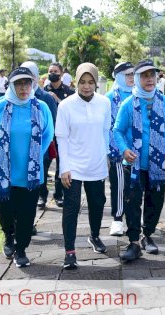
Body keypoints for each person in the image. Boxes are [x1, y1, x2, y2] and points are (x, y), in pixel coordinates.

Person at [0, 67, 54, 268]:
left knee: (26, 213)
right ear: (11, 86)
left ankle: (21, 248)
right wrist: (6, 157)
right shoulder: (1, 106)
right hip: (4, 170)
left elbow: (48, 135)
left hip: (30, 172)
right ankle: (9, 237)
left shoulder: (41, 107)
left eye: (27, 83)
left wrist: (33, 157)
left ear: (33, 84)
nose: (24, 88)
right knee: (4, 209)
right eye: (19, 83)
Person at [113, 60, 165, 262]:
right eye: (144, 75)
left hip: (157, 164)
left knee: (154, 201)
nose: (149, 79)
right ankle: (133, 243)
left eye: (152, 75)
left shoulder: (164, 102)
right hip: (133, 165)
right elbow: (117, 130)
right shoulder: (128, 104)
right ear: (138, 79)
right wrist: (124, 149)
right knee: (132, 203)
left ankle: (147, 235)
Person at [56, 63, 111, 269]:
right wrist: (64, 168)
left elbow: (106, 131)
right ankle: (70, 251)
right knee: (71, 208)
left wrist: (105, 155)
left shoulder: (104, 103)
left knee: (98, 203)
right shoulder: (66, 105)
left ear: (96, 83)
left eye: (90, 82)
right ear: (76, 82)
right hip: (73, 165)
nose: (86, 86)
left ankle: (94, 236)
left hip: (96, 163)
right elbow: (61, 137)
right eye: (82, 82)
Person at [20, 61, 58, 212]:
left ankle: (42, 195)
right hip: (22, 145)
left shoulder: (45, 98)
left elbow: (53, 122)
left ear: (35, 77)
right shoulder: (17, 96)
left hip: (42, 144)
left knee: (39, 172)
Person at [105, 61, 134, 236]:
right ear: (118, 77)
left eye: (133, 74)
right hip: (117, 150)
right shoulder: (109, 98)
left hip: (137, 149)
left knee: (135, 186)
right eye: (127, 75)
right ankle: (117, 219)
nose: (131, 78)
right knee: (118, 185)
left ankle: (134, 216)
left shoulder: (141, 95)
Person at [44, 62, 75, 207]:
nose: (52, 73)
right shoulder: (43, 91)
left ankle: (59, 195)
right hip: (48, 134)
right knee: (44, 164)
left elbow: (74, 110)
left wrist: (57, 100)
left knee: (61, 165)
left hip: (63, 134)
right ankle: (42, 196)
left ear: (61, 74)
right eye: (50, 71)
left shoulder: (69, 92)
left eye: (55, 71)